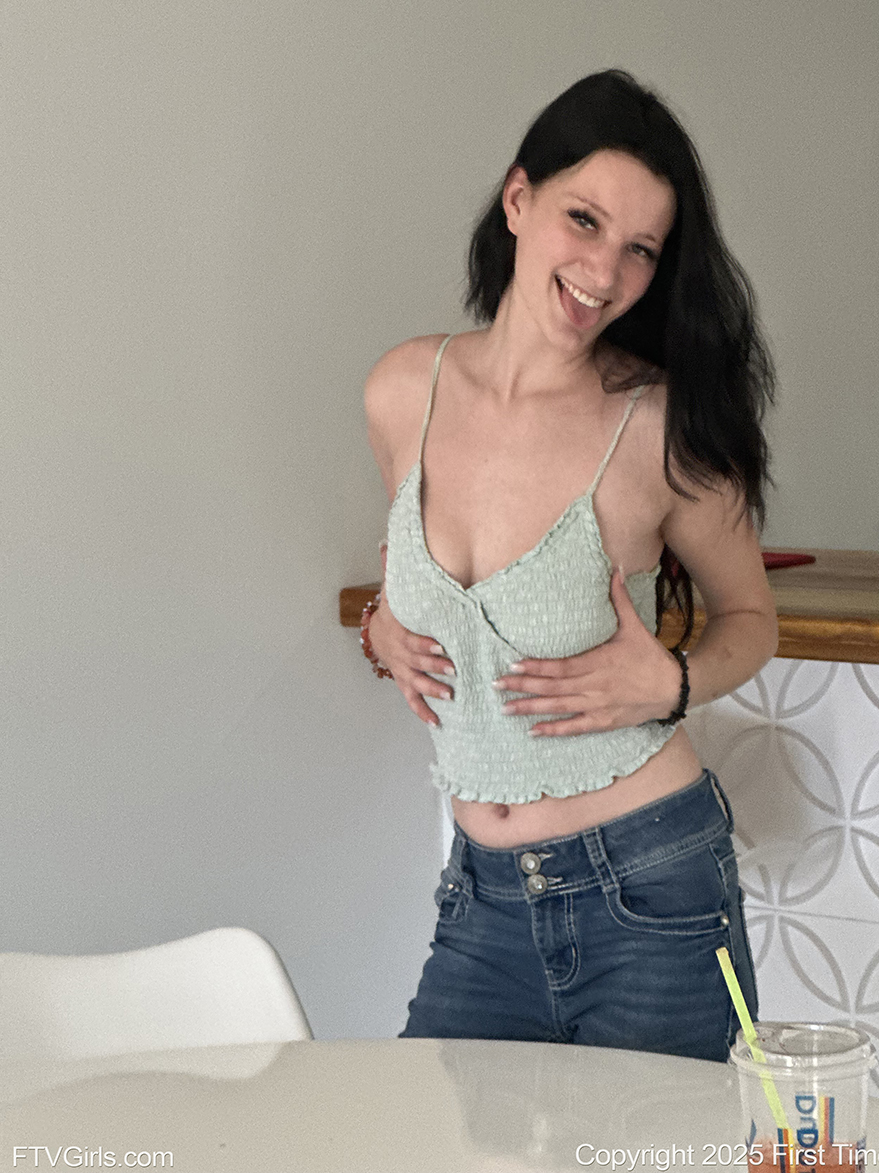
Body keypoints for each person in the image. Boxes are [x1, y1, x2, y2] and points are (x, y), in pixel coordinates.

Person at [362, 69, 778, 1062]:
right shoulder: (401, 391)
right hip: (480, 899)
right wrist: (382, 629)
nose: (604, 270)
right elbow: (409, 583)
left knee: (657, 1145)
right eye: (583, 220)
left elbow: (752, 619)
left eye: (640, 249)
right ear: (519, 200)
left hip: (649, 891)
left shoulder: (659, 426)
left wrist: (672, 681)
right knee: (423, 1131)